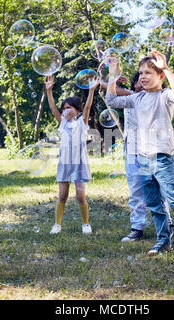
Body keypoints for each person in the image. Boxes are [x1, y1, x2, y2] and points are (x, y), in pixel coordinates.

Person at [105, 51, 174, 256]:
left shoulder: (164, 96)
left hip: (163, 158)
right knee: (154, 204)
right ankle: (163, 241)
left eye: (149, 72)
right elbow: (112, 99)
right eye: (141, 72)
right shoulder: (137, 98)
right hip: (143, 159)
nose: (143, 76)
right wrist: (113, 74)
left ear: (160, 77)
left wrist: (166, 68)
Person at [100, 73, 174, 243]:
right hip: (132, 149)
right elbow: (109, 89)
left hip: (150, 148)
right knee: (135, 190)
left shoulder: (149, 98)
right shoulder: (131, 98)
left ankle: (166, 224)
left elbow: (114, 89)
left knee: (158, 187)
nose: (141, 84)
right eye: (138, 82)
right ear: (133, 86)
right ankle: (137, 227)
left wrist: (113, 83)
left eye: (144, 80)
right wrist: (112, 79)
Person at [44, 75, 98, 235]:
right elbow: (53, 108)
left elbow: (88, 107)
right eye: (64, 108)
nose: (66, 110)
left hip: (79, 164)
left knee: (80, 197)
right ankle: (57, 224)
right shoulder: (62, 123)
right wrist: (49, 91)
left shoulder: (82, 123)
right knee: (62, 196)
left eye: (70, 107)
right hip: (65, 164)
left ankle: (86, 224)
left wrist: (91, 90)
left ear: (77, 110)